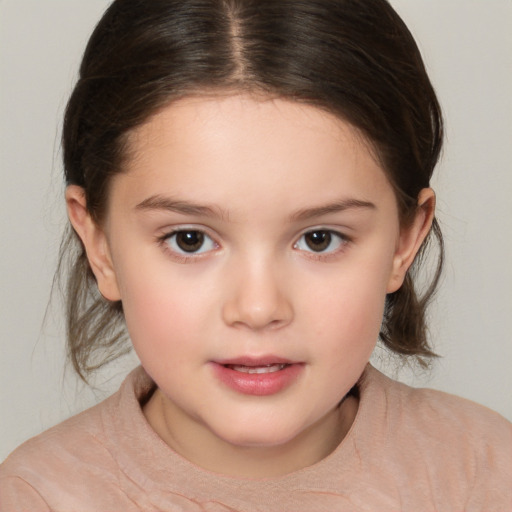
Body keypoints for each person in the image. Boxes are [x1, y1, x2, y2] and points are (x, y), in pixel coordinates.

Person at [1, 0, 511, 510]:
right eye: (189, 240)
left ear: (404, 241)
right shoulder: (36, 497)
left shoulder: (485, 474)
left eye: (319, 239)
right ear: (101, 246)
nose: (258, 308)